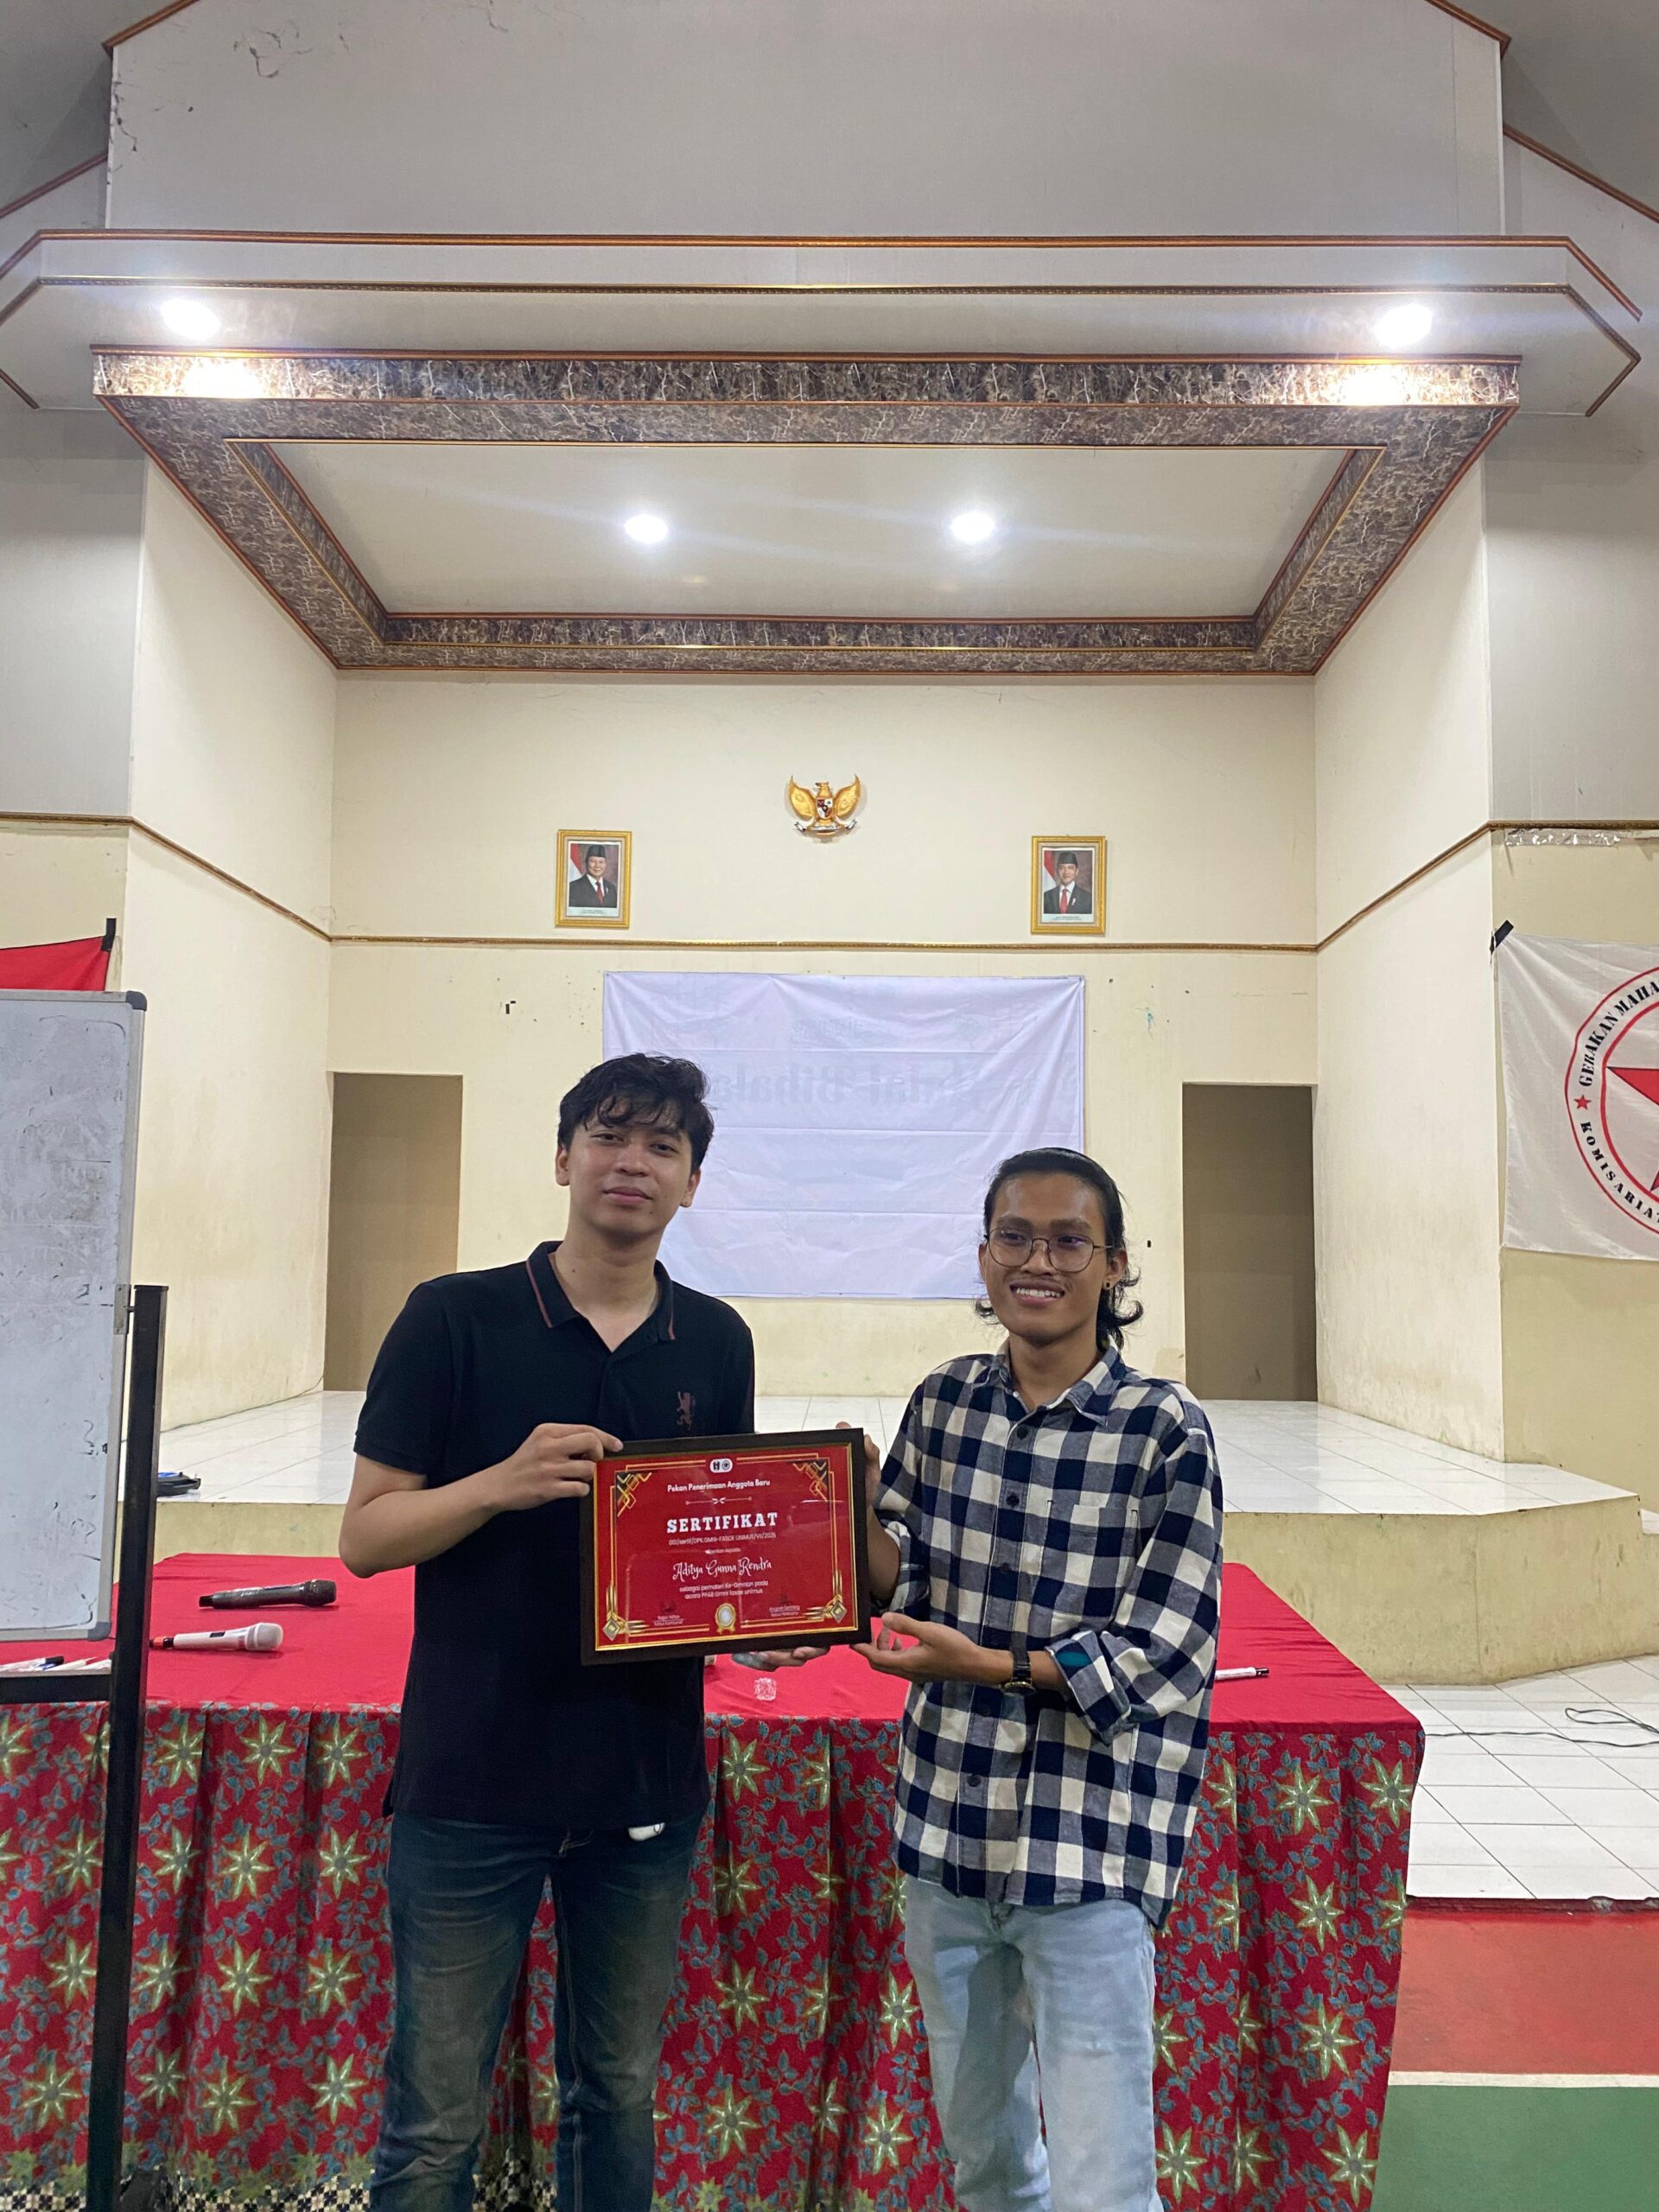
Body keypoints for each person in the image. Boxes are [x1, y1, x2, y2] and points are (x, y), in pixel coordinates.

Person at [341, 1053, 797, 2212]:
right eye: (608, 1135)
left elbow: (704, 1553)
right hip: (470, 1780)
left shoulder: (715, 1340)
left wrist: (760, 1620)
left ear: (692, 1182)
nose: (631, 1162)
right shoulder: (453, 1316)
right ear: (562, 1158)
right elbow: (367, 1536)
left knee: (617, 2095)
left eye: (662, 1146)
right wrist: (499, 1483)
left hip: (642, 1784)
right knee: (434, 2120)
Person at [852, 1147, 1221, 2212]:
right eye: (1015, 1237)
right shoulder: (945, 1402)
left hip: (1088, 1846)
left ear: (1115, 1264)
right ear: (984, 1256)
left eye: (1069, 1241)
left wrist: (987, 1666)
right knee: (986, 2165)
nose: (1039, 1261)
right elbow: (900, 1578)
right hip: (948, 1837)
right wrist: (845, 1509)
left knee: (1105, 2182)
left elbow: (1165, 1647)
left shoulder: (1164, 1429)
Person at [568, 843, 620, 908]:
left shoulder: (611, 888)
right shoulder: (573, 888)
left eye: (601, 862)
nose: (597, 866)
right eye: (593, 861)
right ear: (586, 863)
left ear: (605, 864)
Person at [1041, 851, 1090, 918]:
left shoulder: (1087, 898)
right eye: (1062, 868)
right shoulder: (1046, 896)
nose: (1066, 872)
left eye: (1070, 868)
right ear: (1057, 871)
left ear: (1076, 872)